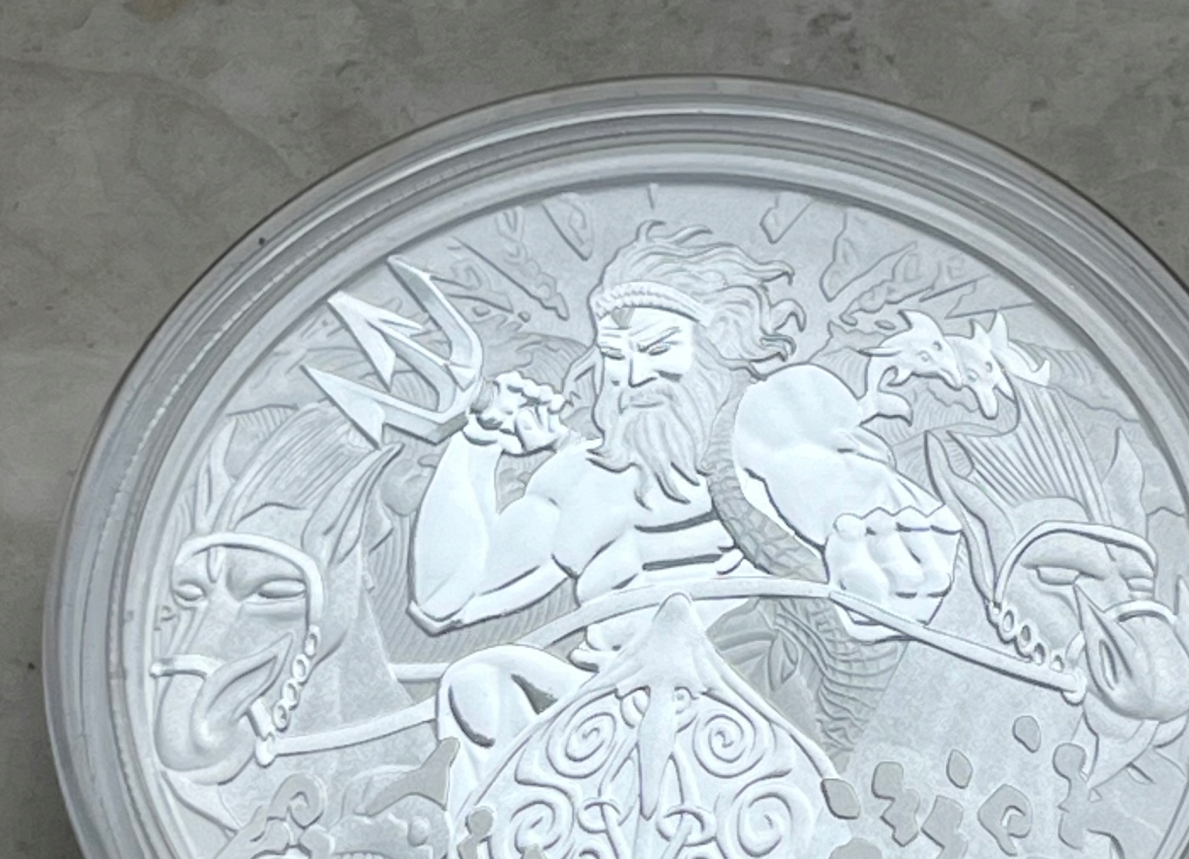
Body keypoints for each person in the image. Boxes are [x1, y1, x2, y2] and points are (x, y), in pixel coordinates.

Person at [409, 225, 963, 803]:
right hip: (601, 728)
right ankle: (504, 844)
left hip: (742, 718)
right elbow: (445, 600)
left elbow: (832, 482)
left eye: (657, 350)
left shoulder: (762, 430)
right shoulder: (579, 480)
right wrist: (477, 443)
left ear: (720, 343)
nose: (632, 376)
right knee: (478, 682)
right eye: (614, 357)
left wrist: (881, 552)